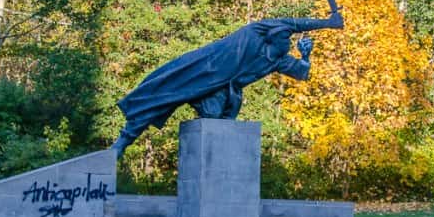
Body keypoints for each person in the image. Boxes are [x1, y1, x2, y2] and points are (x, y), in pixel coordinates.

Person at [111, 13, 344, 158]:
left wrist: (305, 57)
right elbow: (293, 23)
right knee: (162, 92)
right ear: (273, 37)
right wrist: (327, 23)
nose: (288, 42)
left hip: (224, 91)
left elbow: (302, 73)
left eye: (289, 41)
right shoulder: (254, 33)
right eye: (285, 38)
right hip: (205, 69)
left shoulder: (277, 60)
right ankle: (122, 143)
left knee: (215, 121)